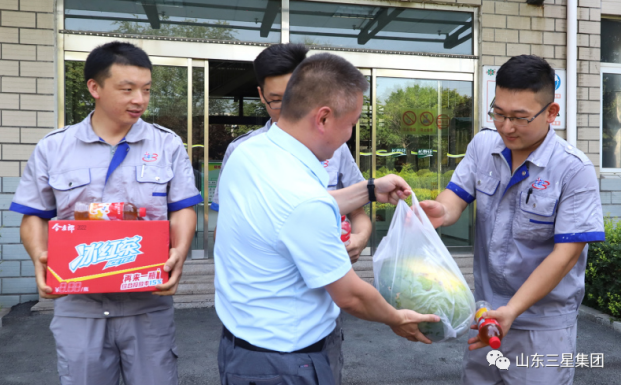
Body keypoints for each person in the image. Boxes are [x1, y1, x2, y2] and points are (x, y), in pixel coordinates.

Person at [215, 53, 440, 385]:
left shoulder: (250, 153)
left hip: (241, 347)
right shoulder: (302, 199)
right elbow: (350, 295)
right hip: (285, 365)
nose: (350, 134)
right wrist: (396, 317)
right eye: (351, 123)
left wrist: (369, 189)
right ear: (323, 118)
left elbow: (289, 212)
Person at [10, 41, 202, 385]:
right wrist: (40, 256)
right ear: (94, 88)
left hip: (147, 301)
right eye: (127, 89)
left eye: (146, 90)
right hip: (79, 304)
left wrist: (180, 252)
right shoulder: (54, 147)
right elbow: (34, 214)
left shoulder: (167, 144)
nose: (139, 99)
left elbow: (182, 208)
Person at [419, 55, 604, 385]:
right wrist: (441, 212)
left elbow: (565, 256)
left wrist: (512, 310)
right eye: (499, 113)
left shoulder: (574, 170)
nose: (506, 127)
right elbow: (455, 197)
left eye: (519, 117)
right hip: (487, 315)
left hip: (543, 328)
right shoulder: (483, 145)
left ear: (551, 113)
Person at [211, 43, 372, 264]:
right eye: (277, 100)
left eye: (296, 98)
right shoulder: (243, 151)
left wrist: (360, 238)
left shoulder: (333, 146)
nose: (289, 110)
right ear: (261, 95)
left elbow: (357, 212)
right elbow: (226, 229)